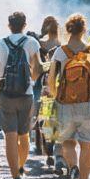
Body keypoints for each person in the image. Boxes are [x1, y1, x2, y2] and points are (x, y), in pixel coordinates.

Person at [50, 13, 90, 179]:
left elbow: (50, 82)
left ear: (68, 29)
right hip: (88, 104)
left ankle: (73, 168)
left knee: (67, 142)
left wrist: (57, 98)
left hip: (65, 105)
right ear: (84, 30)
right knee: (87, 146)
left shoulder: (59, 52)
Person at [0, 12, 44, 179]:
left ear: (8, 25)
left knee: (10, 138)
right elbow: (38, 68)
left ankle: (15, 178)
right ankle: (20, 167)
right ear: (25, 24)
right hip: (26, 95)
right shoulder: (32, 43)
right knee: (24, 136)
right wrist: (31, 81)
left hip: (5, 95)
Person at [36, 16, 61, 169]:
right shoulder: (62, 45)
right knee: (58, 119)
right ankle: (59, 150)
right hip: (59, 87)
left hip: (44, 87)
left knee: (46, 118)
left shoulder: (40, 44)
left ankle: (48, 149)